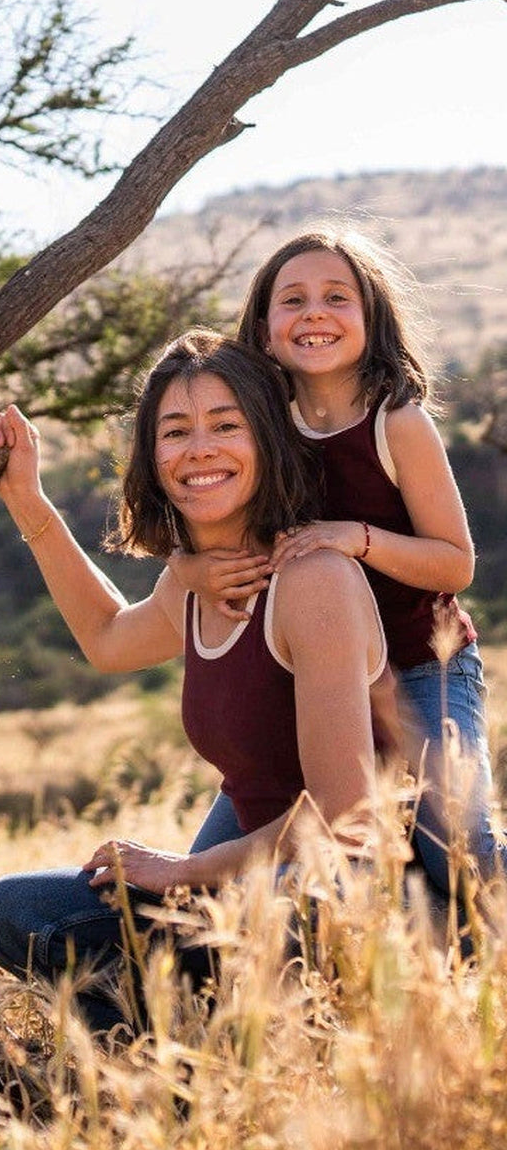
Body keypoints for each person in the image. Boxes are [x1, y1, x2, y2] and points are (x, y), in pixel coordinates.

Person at [0, 330, 391, 1035]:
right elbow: (107, 638)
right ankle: (155, 1053)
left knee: (294, 906)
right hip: (235, 890)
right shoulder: (192, 584)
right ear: (152, 456)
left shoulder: (313, 579)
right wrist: (27, 499)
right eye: (175, 432)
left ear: (268, 438)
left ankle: (194, 1037)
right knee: (16, 910)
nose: (199, 449)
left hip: (338, 892)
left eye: (226, 426)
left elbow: (341, 816)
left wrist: (181, 873)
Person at [178, 226, 489, 894]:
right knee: (215, 881)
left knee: (460, 846)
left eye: (336, 297)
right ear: (264, 331)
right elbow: (209, 534)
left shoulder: (396, 422)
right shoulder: (260, 428)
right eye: (292, 299)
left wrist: (358, 537)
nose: (314, 313)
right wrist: (191, 573)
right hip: (319, 682)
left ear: (370, 319)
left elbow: (455, 564)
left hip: (421, 668)